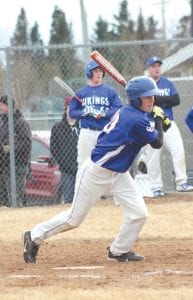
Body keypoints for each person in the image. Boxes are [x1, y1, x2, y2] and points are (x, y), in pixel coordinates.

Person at [22, 76, 167, 264]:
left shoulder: (131, 111)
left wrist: (156, 119)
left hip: (118, 173)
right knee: (73, 219)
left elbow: (149, 126)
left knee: (139, 214)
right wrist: (159, 120)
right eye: (147, 97)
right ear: (136, 99)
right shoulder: (135, 119)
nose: (152, 100)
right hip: (96, 172)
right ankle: (33, 236)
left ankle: (118, 251)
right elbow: (157, 142)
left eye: (152, 97)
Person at [144, 56, 193, 197]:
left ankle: (181, 182)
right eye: (153, 66)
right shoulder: (144, 83)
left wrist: (158, 101)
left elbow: (176, 100)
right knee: (153, 156)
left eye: (159, 65)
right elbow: (144, 103)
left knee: (178, 149)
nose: (157, 68)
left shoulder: (167, 83)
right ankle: (156, 187)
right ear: (148, 69)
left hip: (167, 122)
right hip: (151, 123)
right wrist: (163, 100)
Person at [69, 60, 122, 168]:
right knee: (84, 163)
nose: (99, 73)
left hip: (105, 131)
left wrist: (103, 114)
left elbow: (118, 108)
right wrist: (85, 112)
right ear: (89, 73)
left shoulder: (110, 91)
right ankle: (82, 185)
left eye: (101, 71)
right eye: (96, 71)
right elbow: (72, 113)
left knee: (106, 162)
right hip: (87, 132)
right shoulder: (81, 93)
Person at [0, 95, 32, 207]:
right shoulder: (4, 123)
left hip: (18, 166)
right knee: (7, 200)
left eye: (2, 105)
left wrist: (9, 148)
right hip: (5, 165)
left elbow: (26, 143)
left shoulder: (20, 122)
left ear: (9, 106)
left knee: (16, 198)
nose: (0, 107)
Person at [50, 103, 79, 203]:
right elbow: (54, 148)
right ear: (65, 109)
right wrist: (63, 163)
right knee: (69, 198)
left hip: (83, 168)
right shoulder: (57, 128)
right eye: (69, 108)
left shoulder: (83, 126)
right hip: (67, 170)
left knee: (83, 197)